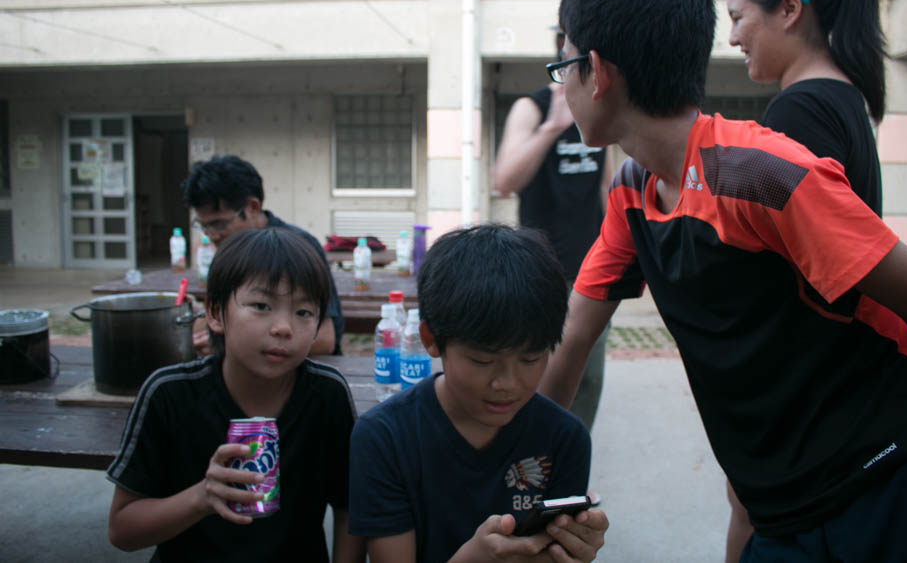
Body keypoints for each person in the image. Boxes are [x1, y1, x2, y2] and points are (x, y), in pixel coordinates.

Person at [538, 0, 907, 562]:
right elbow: (573, 335)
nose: (559, 85)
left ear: (595, 72)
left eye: (561, 65)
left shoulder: (758, 173)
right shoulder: (632, 193)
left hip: (886, 482)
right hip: (782, 507)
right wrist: (528, 473)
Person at [723, 0, 888, 559]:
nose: (734, 37)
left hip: (804, 382)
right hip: (832, 374)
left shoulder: (801, 111)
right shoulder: (843, 97)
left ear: (789, 9)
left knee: (754, 511)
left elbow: (785, 261)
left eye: (739, 17)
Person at [348, 224, 609, 563]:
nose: (508, 383)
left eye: (530, 358)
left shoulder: (566, 438)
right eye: (483, 360)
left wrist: (575, 549)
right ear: (430, 339)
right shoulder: (384, 437)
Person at [106, 227, 364, 562]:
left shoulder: (326, 395)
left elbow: (349, 509)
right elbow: (122, 530)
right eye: (261, 305)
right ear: (214, 313)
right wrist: (201, 497)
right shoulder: (170, 394)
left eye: (303, 312)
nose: (283, 327)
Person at [493, 28, 612, 432]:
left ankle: (570, 462)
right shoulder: (532, 106)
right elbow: (504, 181)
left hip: (591, 267)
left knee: (588, 377)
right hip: (541, 269)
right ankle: (530, 461)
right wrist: (550, 128)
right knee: (535, 371)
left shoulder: (600, 107)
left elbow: (604, 186)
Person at [181, 154, 344, 356]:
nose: (212, 235)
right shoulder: (229, 248)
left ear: (252, 207)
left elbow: (324, 340)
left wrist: (228, 345)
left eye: (219, 224)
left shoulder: (297, 249)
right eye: (203, 226)